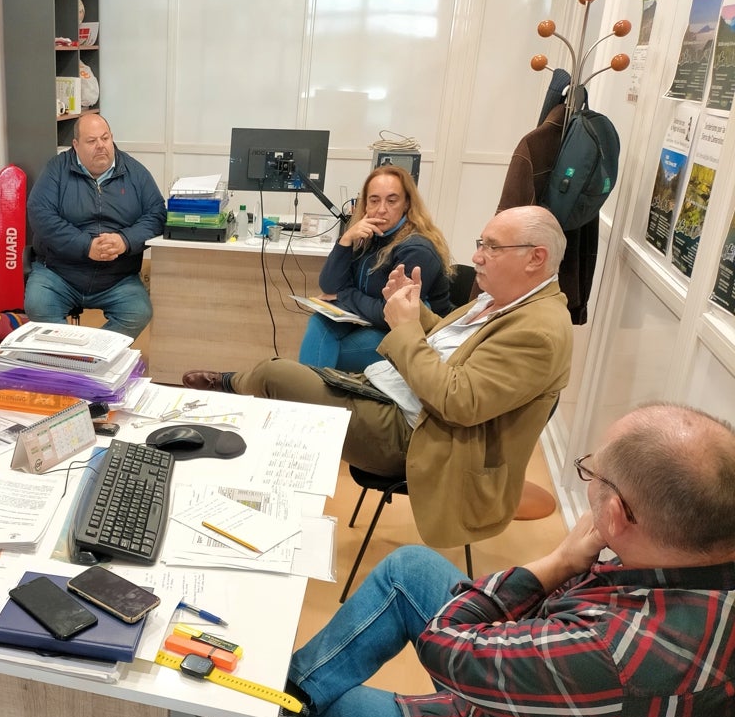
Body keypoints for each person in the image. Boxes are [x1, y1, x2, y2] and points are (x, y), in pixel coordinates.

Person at [205, 403, 735, 717]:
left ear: (616, 515)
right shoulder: (689, 563)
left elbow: (446, 644)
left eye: (592, 471)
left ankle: (292, 706)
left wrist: (556, 563)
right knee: (410, 569)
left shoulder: (609, 648)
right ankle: (286, 697)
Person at [184, 205, 572, 548]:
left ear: (535, 258)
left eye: (492, 247)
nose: (477, 256)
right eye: (481, 243)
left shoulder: (539, 330)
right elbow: (446, 344)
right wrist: (413, 311)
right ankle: (232, 419)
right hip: (394, 394)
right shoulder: (500, 299)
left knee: (276, 378)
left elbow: (459, 402)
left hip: (421, 437)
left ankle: (227, 396)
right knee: (289, 378)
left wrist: (403, 329)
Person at [25, 113, 166, 338]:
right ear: (75, 145)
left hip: (116, 277)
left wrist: (125, 241)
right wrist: (86, 246)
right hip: (59, 272)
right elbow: (41, 214)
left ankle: (92, 354)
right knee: (37, 306)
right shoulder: (56, 170)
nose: (101, 146)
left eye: (105, 138)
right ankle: (70, 354)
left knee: (138, 312)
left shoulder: (135, 173)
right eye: (91, 141)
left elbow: (157, 214)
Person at [299, 164, 453, 371]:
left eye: (392, 200)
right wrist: (346, 240)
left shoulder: (417, 249)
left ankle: (306, 395)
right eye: (374, 200)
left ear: (407, 204)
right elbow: (329, 285)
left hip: (413, 335)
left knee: (333, 355)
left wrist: (344, 295)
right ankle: (307, 395)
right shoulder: (371, 236)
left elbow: (388, 313)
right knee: (319, 323)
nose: (381, 209)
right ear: (365, 205)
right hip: (369, 321)